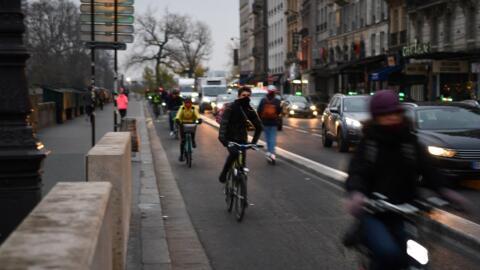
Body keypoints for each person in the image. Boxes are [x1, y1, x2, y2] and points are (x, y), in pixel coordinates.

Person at [345, 90, 469, 270]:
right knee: (388, 252)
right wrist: (357, 194)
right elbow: (357, 173)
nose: (392, 117)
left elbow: (430, 170)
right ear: (376, 117)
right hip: (374, 214)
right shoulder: (369, 144)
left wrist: (447, 191)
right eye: (385, 114)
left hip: (406, 213)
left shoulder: (409, 142)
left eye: (395, 112)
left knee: (417, 257)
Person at [218, 86, 263, 183]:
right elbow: (224, 124)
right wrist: (223, 139)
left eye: (248, 96)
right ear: (238, 96)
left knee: (242, 164)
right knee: (234, 153)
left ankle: (241, 189)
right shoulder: (231, 107)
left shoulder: (250, 110)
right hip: (230, 138)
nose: (245, 97)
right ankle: (224, 173)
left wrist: (253, 142)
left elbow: (259, 127)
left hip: (242, 139)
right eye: (243, 95)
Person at [257, 85, 282, 162]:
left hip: (265, 122)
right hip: (274, 122)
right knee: (273, 138)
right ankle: (272, 153)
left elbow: (259, 110)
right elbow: (279, 111)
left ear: (267, 91)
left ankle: (268, 152)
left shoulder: (263, 100)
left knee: (267, 138)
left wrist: (261, 118)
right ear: (274, 92)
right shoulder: (277, 101)